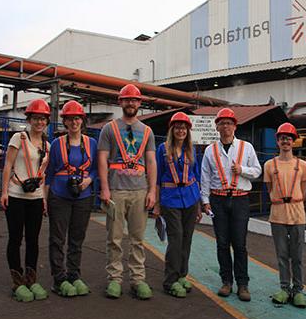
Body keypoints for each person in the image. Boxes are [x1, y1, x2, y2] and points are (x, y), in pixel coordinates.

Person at [98, 84, 157, 300]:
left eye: (134, 100)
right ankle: (114, 279)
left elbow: (151, 161)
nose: (130, 103)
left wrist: (152, 191)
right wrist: (104, 188)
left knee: (137, 239)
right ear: (120, 102)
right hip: (116, 191)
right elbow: (103, 159)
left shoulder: (147, 131)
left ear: (139, 103)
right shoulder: (109, 129)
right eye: (126, 99)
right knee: (113, 238)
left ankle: (137, 279)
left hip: (139, 191)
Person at [201, 108, 261, 301]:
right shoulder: (210, 150)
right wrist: (205, 201)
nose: (225, 126)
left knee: (240, 244)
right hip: (218, 200)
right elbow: (205, 177)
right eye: (222, 123)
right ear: (217, 126)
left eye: (229, 123)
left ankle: (243, 284)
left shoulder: (247, 147)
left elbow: (257, 171)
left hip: (239, 199)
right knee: (222, 243)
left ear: (235, 126)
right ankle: (226, 281)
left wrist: (241, 169)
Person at [44, 100, 98, 297]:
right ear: (65, 122)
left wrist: (87, 182)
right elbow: (49, 173)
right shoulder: (57, 145)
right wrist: (45, 198)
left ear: (82, 121)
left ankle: (74, 275)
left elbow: (95, 170)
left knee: (77, 239)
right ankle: (59, 279)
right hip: (59, 196)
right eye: (70, 119)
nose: (74, 122)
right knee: (57, 238)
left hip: (82, 196)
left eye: (77, 118)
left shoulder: (91, 143)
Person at [0, 99, 51, 302]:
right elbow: (8, 165)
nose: (39, 122)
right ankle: (17, 281)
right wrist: (4, 192)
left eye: (43, 119)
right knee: (15, 238)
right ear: (29, 119)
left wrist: (44, 199)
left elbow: (44, 174)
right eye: (36, 118)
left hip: (36, 197)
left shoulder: (47, 144)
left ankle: (31, 279)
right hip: (16, 195)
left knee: (33, 239)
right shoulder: (18, 138)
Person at [153, 112, 202, 298]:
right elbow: (157, 177)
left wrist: (198, 205)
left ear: (188, 131)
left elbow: (196, 178)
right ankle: (170, 280)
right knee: (176, 238)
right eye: (178, 128)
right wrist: (156, 204)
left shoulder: (192, 150)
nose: (181, 131)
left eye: (184, 128)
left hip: (190, 198)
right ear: (172, 130)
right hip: (170, 199)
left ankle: (182, 274)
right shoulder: (162, 149)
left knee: (187, 238)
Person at [263, 123, 306, 308]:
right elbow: (270, 190)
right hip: (277, 215)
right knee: (282, 254)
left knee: (297, 255)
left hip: (297, 215)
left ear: (293, 141)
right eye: (282, 138)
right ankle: (284, 288)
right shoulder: (269, 165)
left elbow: (304, 191)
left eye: (289, 138)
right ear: (277, 141)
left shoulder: (302, 165)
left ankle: (298, 290)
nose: (286, 141)